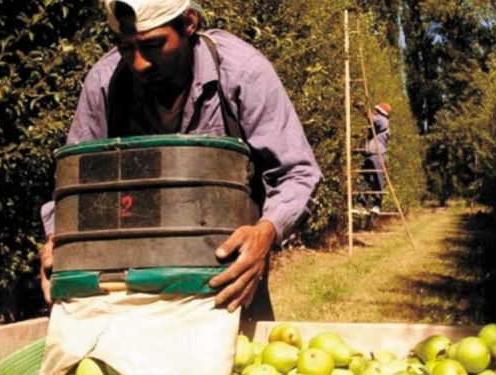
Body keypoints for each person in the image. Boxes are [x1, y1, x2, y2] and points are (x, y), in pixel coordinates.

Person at [39, 0, 320, 318]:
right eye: (125, 48)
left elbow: (297, 170)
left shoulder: (242, 73)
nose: (139, 63)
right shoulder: (107, 82)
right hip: (131, 284)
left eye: (154, 45)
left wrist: (265, 232)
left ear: (189, 23)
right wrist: (57, 239)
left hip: (225, 279)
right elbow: (75, 184)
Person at [359, 102, 391, 214]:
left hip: (378, 154)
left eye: (375, 110)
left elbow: (371, 118)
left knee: (377, 179)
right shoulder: (377, 123)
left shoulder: (383, 120)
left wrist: (362, 107)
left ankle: (377, 204)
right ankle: (361, 204)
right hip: (369, 153)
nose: (374, 111)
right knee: (364, 179)